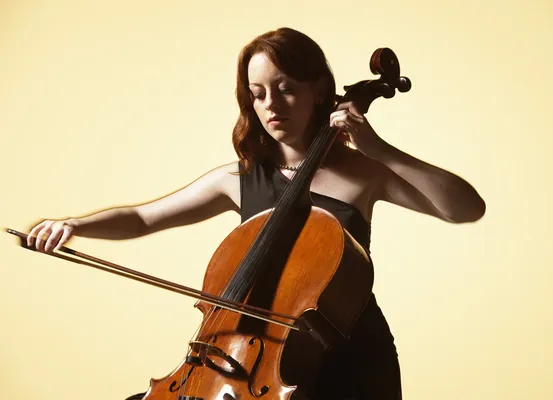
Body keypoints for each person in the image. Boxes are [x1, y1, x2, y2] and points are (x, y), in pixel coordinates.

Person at [26, 27, 485, 400]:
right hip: (247, 357)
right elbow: (145, 218)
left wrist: (382, 150)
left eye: (285, 89)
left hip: (348, 357)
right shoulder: (237, 179)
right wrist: (74, 226)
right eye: (258, 92)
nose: (270, 105)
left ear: (319, 90)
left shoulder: (364, 173)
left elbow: (465, 208)